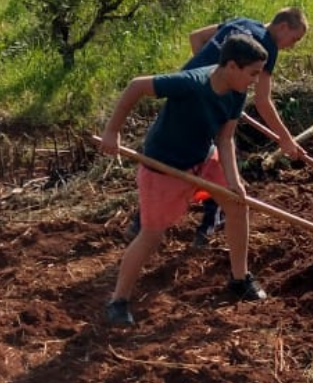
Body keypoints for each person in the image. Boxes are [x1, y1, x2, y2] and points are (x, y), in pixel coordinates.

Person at [100, 33, 271, 327]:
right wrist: (112, 131)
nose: (256, 80)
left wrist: (234, 181)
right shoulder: (191, 83)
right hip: (164, 166)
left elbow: (226, 137)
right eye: (253, 73)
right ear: (231, 66)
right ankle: (118, 300)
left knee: (237, 204)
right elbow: (137, 85)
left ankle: (239, 278)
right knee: (152, 235)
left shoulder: (237, 90)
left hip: (204, 157)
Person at [128, 6, 309, 246]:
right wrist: (285, 139)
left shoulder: (243, 21)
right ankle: (205, 225)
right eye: (295, 39)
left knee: (177, 157)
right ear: (283, 27)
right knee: (217, 160)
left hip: (184, 96)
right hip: (203, 108)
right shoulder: (267, 47)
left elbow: (196, 37)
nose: (293, 45)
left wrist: (217, 86)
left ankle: (142, 220)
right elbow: (263, 101)